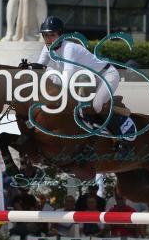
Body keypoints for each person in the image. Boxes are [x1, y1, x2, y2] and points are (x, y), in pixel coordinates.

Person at [36, 16, 136, 147]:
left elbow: (67, 77)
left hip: (106, 75)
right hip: (87, 80)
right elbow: (39, 66)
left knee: (97, 105)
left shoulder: (69, 48)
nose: (48, 39)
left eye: (52, 35)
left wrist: (49, 78)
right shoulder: (47, 48)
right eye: (45, 35)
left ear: (61, 35)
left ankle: (119, 139)